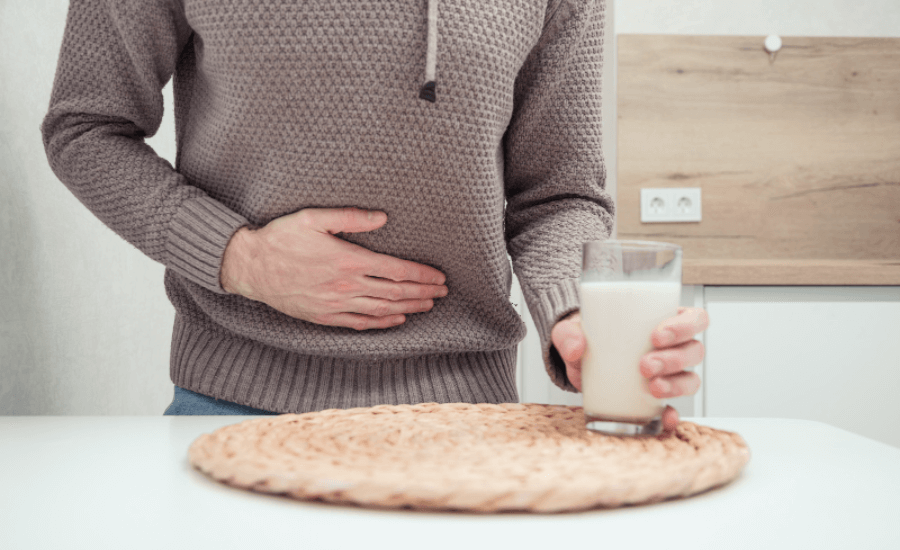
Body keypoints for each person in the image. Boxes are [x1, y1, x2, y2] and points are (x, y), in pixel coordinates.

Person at [40, 0, 705, 429]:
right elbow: (87, 128)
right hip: (226, 408)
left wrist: (573, 313)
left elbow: (558, 193)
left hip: (467, 426)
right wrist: (239, 258)